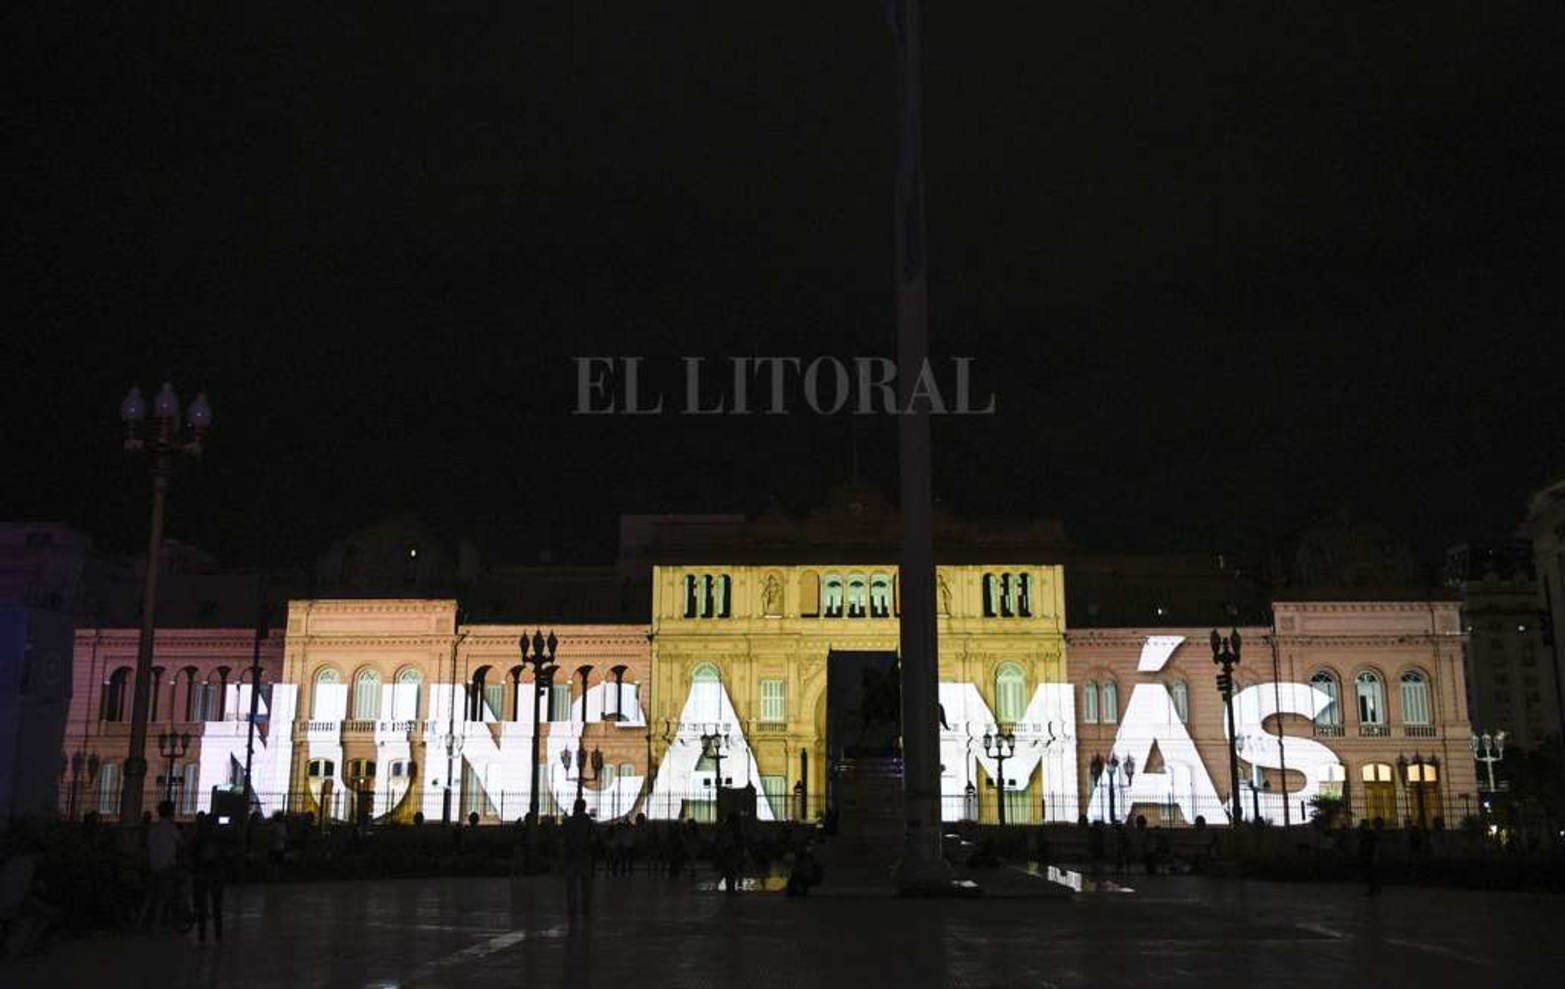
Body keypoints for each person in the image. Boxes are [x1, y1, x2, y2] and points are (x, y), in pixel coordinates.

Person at [141, 800, 183, 932]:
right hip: (167, 866)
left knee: (149, 896)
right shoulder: (171, 828)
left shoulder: (154, 828)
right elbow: (181, 843)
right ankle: (156, 924)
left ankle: (139, 921)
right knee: (162, 897)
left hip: (153, 866)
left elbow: (148, 845)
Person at [189, 812, 227, 943]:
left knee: (202, 906)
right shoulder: (220, 839)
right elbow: (224, 857)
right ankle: (218, 935)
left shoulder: (198, 838)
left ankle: (202, 935)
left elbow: (192, 856)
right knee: (217, 906)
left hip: (201, 875)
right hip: (216, 875)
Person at [561, 799, 594, 920]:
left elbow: (563, 839)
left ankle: (572, 907)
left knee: (571, 885)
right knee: (585, 885)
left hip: (571, 856)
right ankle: (585, 908)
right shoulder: (588, 822)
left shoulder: (567, 822)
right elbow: (593, 839)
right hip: (584, 856)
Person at [1359, 817, 1382, 896]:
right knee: (1372, 873)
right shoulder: (1368, 833)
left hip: (1370, 856)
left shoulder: (1370, 833)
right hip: (1369, 855)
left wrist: (1375, 855)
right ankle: (1376, 888)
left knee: (1371, 873)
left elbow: (1375, 844)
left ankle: (1373, 889)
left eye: (1362, 825)